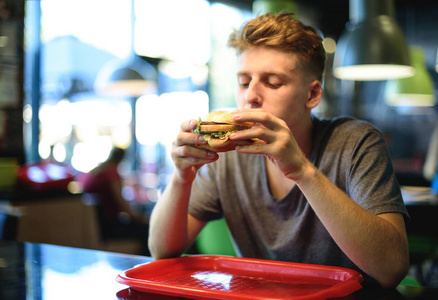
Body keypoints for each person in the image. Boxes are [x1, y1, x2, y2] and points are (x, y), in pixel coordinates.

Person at [149, 12, 410, 288]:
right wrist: (181, 177)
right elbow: (161, 250)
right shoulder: (226, 158)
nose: (250, 95)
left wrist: (302, 171)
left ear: (312, 95)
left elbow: (391, 269)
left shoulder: (356, 143)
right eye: (244, 81)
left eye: (272, 82)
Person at [82, 147, 149, 253]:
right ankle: (144, 267)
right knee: (148, 231)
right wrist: (143, 219)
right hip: (109, 227)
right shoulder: (111, 173)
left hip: (97, 225)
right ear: (122, 158)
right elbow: (123, 206)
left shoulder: (97, 170)